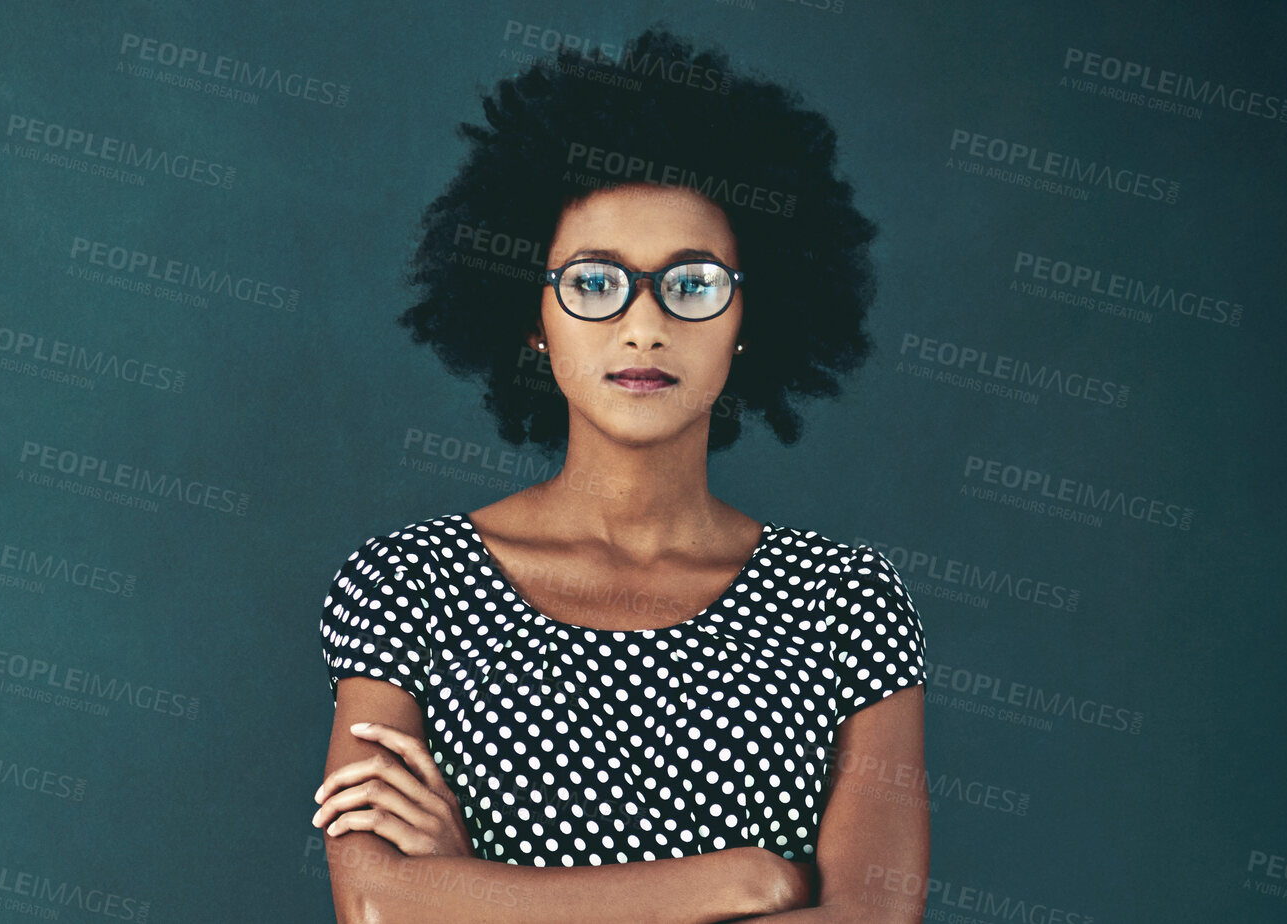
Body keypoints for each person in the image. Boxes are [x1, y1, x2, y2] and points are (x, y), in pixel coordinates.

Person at [311, 26, 928, 924]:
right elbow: (377, 909)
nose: (644, 327)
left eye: (694, 283)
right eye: (596, 284)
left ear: (751, 316)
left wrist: (474, 898)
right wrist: (745, 881)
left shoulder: (848, 603)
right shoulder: (407, 586)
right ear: (534, 318)